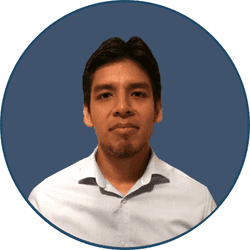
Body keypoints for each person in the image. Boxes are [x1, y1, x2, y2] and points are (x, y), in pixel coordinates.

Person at [28, 37, 216, 247]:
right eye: (106, 95)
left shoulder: (199, 204)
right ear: (87, 113)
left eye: (137, 93)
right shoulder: (46, 203)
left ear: (158, 109)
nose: (122, 107)